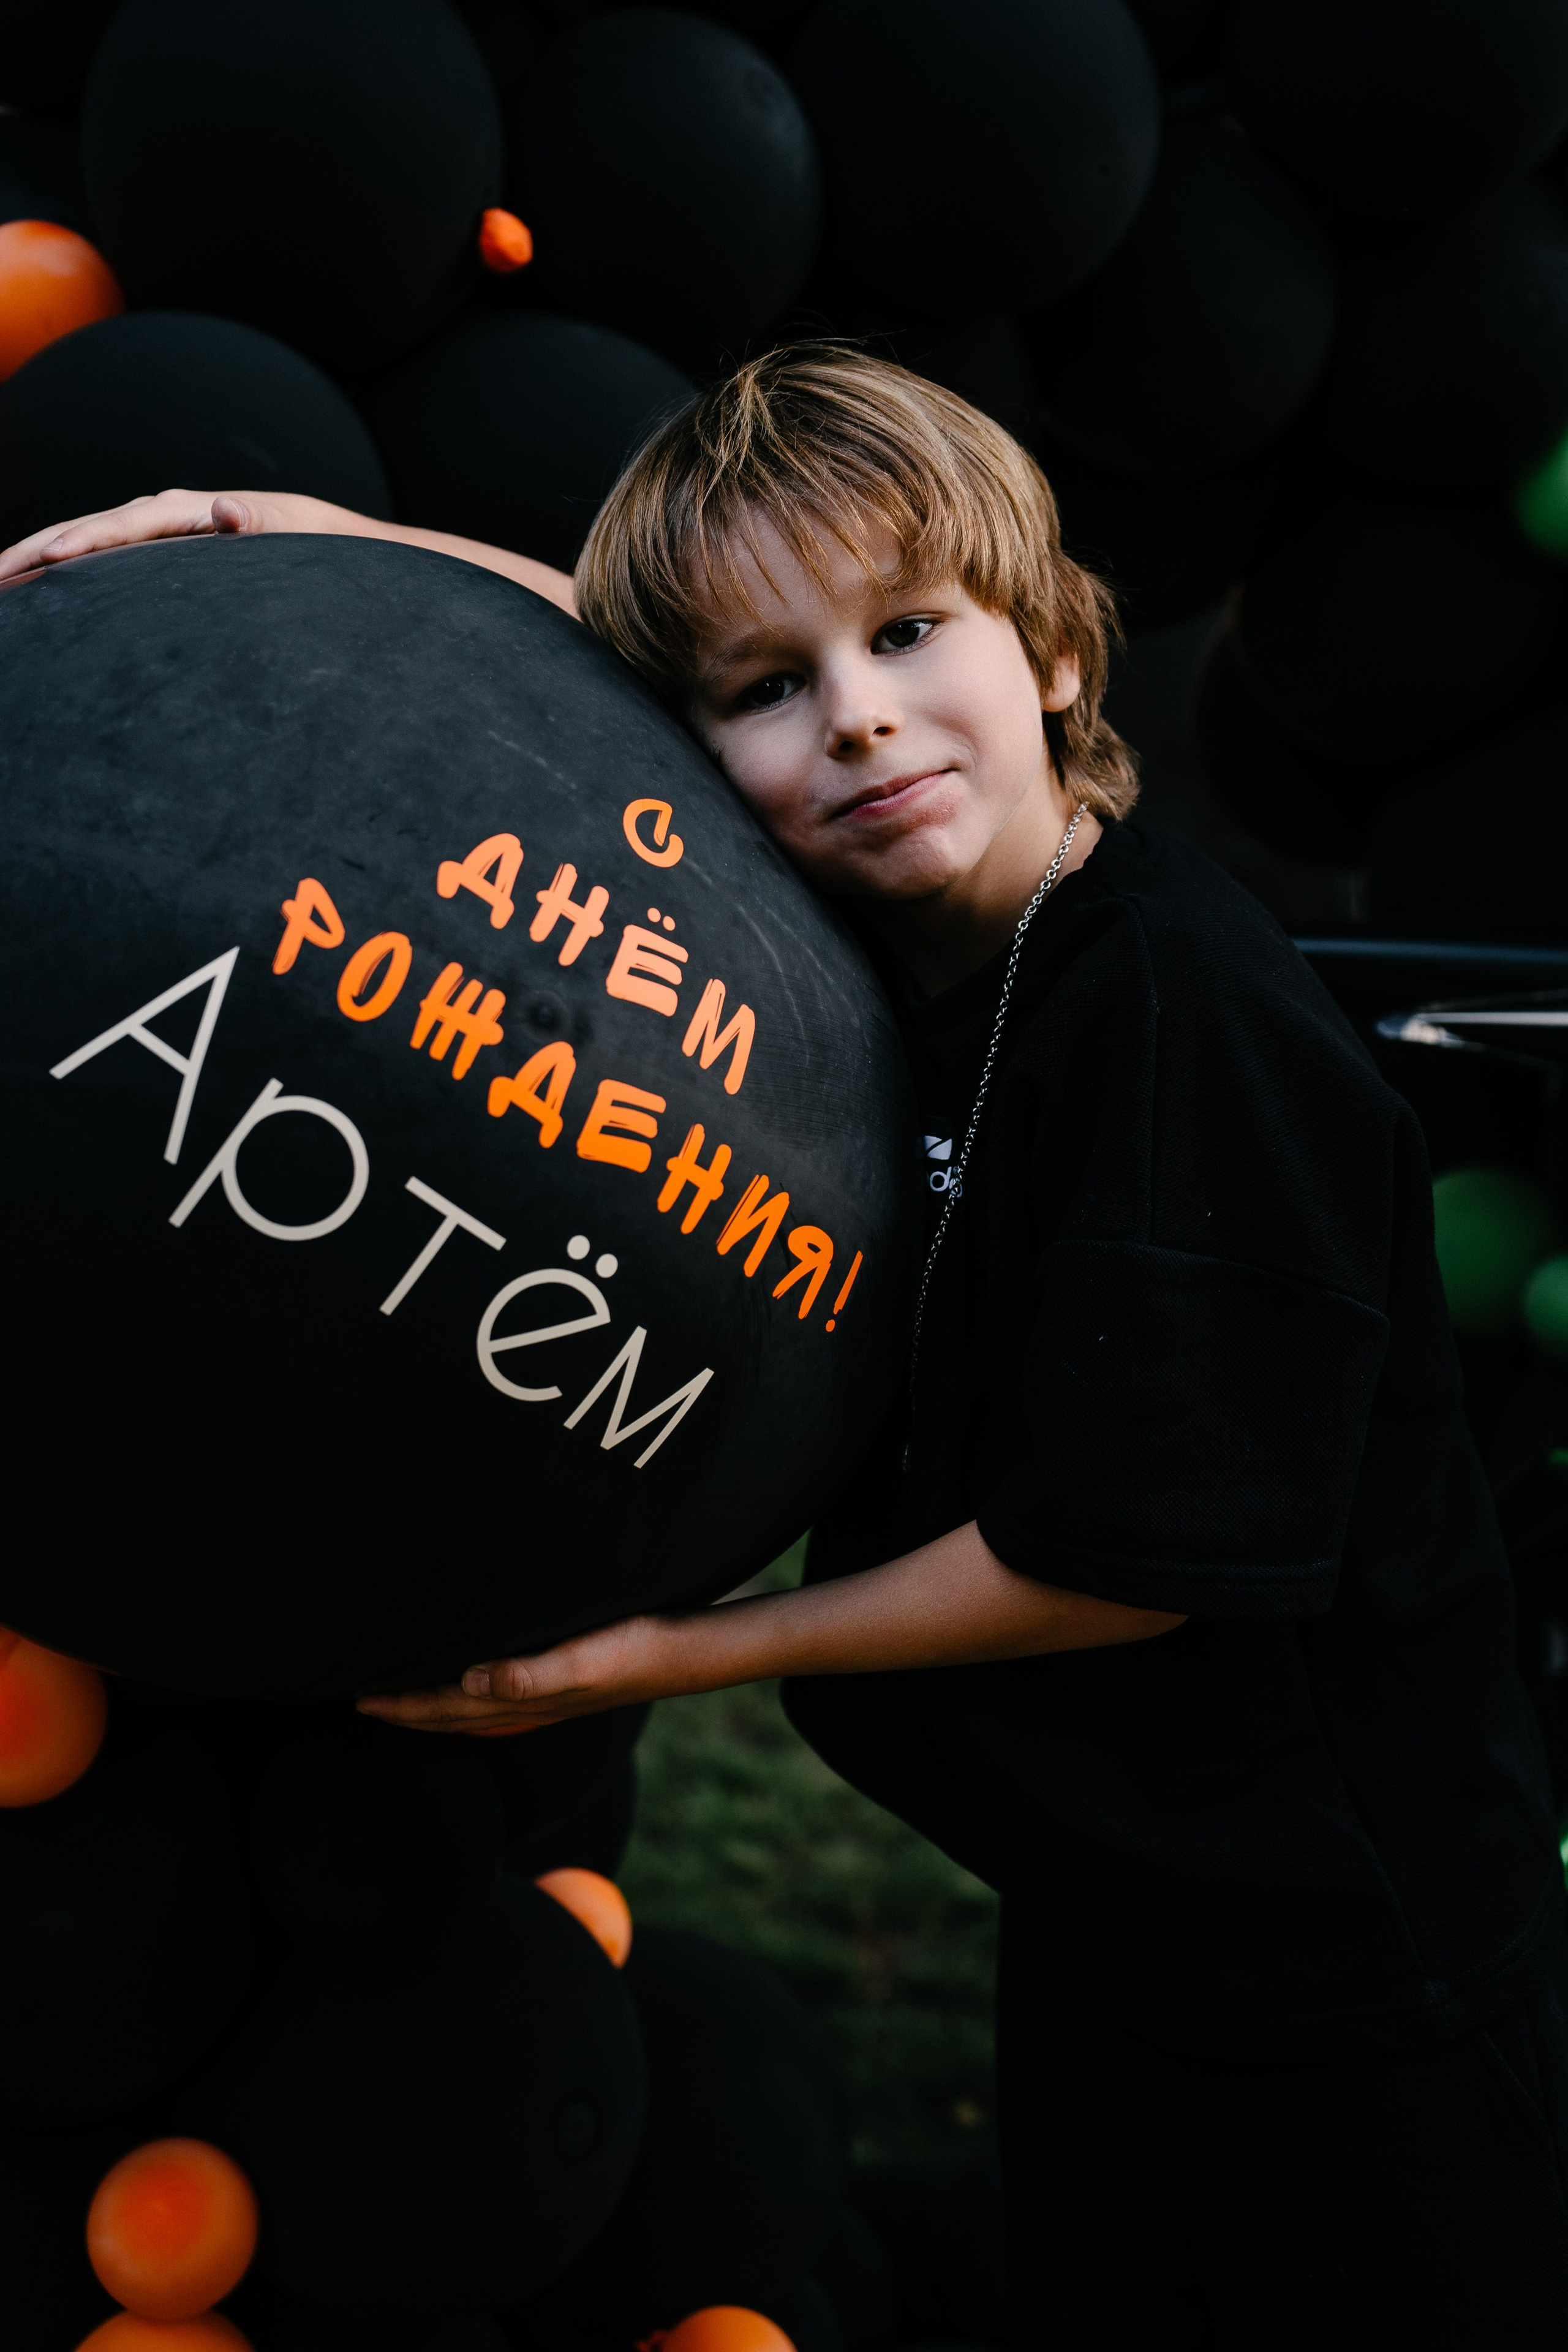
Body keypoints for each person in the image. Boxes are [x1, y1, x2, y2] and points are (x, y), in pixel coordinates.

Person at [6, 346, 1566, 2346]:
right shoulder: (917, 964)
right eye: (773, 688)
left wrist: (673, 1657)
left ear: (1061, 653)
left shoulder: (1187, 1023)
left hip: (1363, 1981)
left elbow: (1119, 1557)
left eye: (915, 632)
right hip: (1127, 1922)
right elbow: (675, 680)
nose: (862, 721)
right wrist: (348, 555)